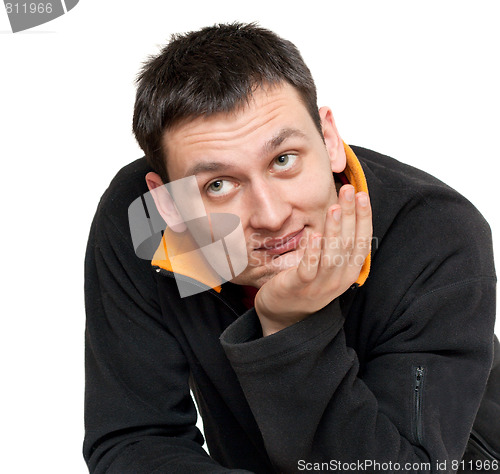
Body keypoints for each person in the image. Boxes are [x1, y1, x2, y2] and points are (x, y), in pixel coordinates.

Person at [83, 23, 499, 473]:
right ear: (168, 202)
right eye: (219, 185)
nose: (271, 215)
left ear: (329, 139)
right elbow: (134, 440)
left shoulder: (436, 235)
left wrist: (288, 326)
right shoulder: (142, 221)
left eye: (283, 160)